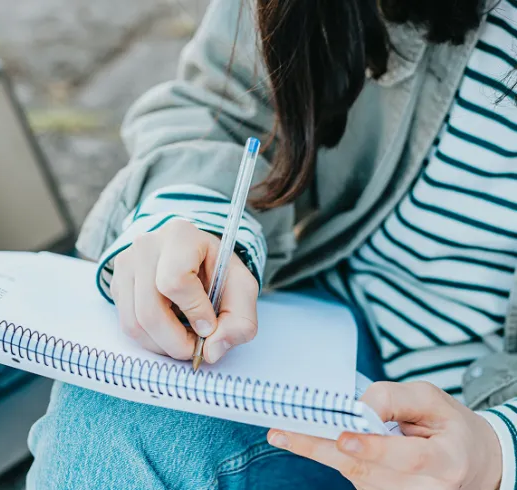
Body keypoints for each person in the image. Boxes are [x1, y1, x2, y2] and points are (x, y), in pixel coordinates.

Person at [27, 0, 517, 488]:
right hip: (340, 311)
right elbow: (230, 102)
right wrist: (197, 214)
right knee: (113, 417)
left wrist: (500, 450)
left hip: (491, 421)